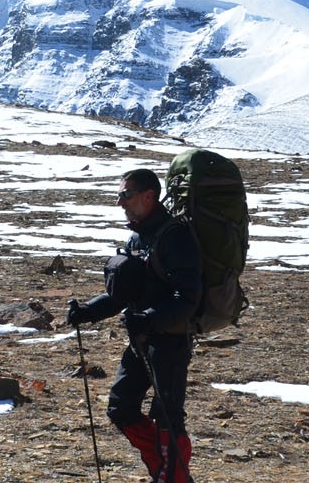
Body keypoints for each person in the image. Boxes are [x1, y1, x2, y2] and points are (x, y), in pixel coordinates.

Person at [66, 169, 202, 483]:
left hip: (170, 341)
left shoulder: (175, 237)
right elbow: (121, 296)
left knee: (169, 419)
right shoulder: (138, 237)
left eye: (125, 195)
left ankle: (173, 476)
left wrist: (150, 318)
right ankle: (165, 471)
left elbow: (188, 298)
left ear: (148, 196)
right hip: (142, 339)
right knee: (121, 407)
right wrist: (86, 312)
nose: (119, 202)